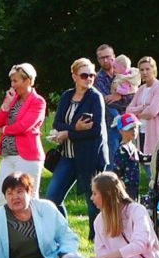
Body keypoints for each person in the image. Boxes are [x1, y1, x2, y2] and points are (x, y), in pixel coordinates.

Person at [60, 172, 159, 258]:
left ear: (107, 195)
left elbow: (141, 245)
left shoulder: (137, 211)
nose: (91, 198)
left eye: (95, 193)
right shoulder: (99, 221)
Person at [45, 58, 110, 238]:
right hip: (67, 156)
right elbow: (57, 123)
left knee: (94, 201)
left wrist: (68, 133)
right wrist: (76, 128)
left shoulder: (95, 97)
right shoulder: (67, 96)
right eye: (84, 75)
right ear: (74, 76)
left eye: (92, 75)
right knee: (52, 198)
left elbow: (96, 130)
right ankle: (64, 233)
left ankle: (96, 238)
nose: (89, 79)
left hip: (90, 157)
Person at [0, 63, 46, 206]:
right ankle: (5, 222)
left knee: (28, 200)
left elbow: (24, 126)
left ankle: (34, 222)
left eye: (15, 81)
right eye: (11, 81)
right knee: (2, 199)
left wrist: (2, 130)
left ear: (28, 81)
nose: (12, 85)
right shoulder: (13, 99)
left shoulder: (38, 102)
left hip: (27, 156)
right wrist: (6, 105)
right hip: (8, 156)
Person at [126, 56, 159, 162]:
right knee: (144, 161)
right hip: (141, 131)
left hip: (156, 132)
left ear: (153, 69)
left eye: (147, 69)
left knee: (155, 162)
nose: (144, 72)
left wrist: (137, 114)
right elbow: (128, 110)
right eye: (142, 70)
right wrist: (143, 107)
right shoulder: (141, 89)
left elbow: (152, 112)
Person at [94, 44, 133, 160]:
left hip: (129, 121)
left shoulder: (127, 74)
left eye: (108, 57)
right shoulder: (96, 79)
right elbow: (106, 102)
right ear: (98, 60)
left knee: (131, 157)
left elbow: (134, 97)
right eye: (102, 58)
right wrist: (124, 98)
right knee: (113, 159)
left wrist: (119, 96)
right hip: (110, 124)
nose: (105, 60)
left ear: (114, 57)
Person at [111, 113, 144, 201]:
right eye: (130, 128)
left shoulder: (133, 147)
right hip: (126, 187)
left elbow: (142, 157)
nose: (134, 131)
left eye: (135, 127)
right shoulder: (122, 150)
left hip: (135, 185)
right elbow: (116, 171)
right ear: (121, 130)